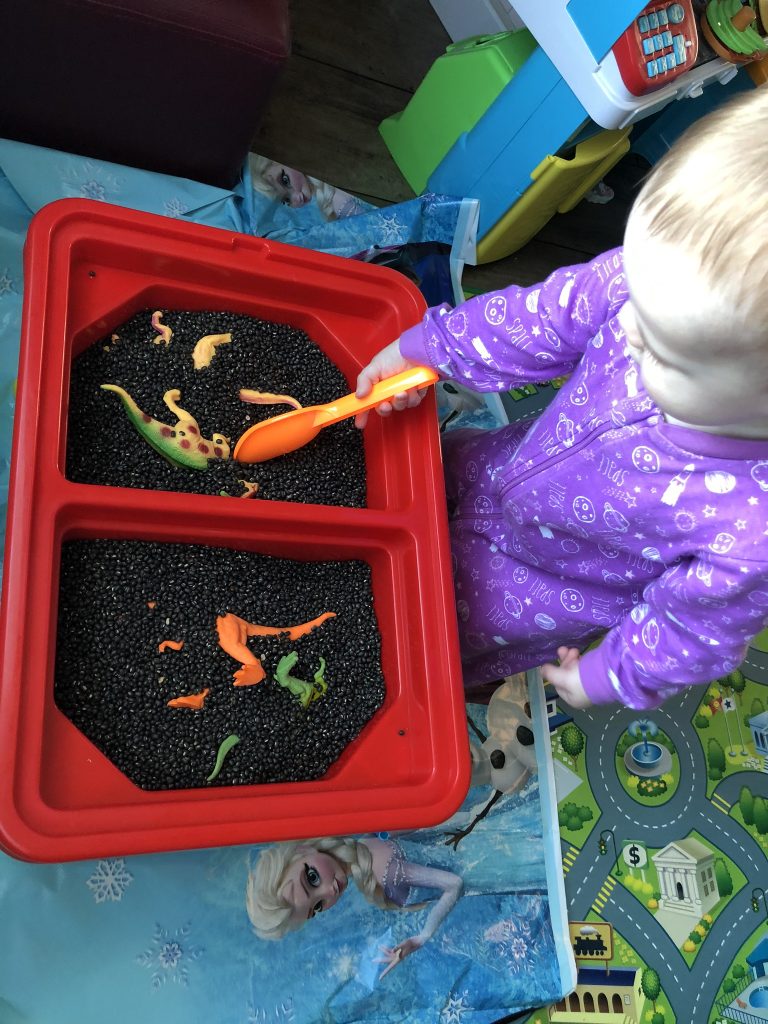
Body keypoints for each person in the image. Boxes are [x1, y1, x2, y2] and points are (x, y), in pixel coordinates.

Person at [353, 87, 768, 712]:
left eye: (662, 350)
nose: (627, 328)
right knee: (411, 482)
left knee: (425, 636)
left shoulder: (749, 533)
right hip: (500, 462)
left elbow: (691, 632)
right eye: (635, 297)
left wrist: (606, 677)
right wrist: (433, 347)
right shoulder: (649, 282)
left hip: (542, 585)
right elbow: (541, 319)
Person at [246, 835, 462, 976]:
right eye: (318, 906)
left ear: (302, 850)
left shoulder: (383, 871)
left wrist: (422, 937)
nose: (329, 892)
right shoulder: (367, 848)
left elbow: (455, 883)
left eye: (312, 878)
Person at [250, 154, 366, 220]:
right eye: (286, 200)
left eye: (285, 180)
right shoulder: (330, 201)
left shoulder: (339, 202)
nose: (297, 198)